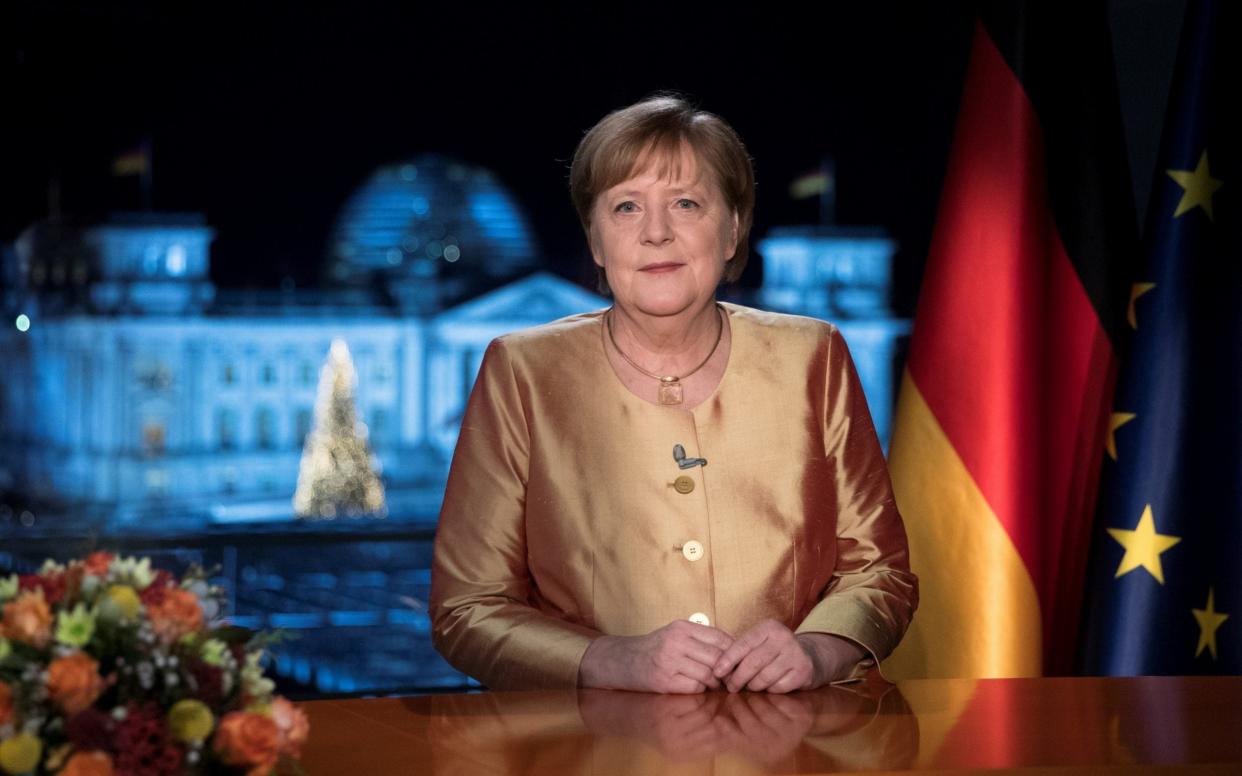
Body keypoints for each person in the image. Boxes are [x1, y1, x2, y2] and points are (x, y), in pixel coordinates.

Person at [430, 95, 917, 693]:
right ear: (596, 243)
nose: (656, 233)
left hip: (793, 743)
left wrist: (821, 650)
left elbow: (881, 573)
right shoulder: (521, 370)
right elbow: (465, 609)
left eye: (686, 203)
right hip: (589, 748)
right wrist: (608, 661)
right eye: (626, 207)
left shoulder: (813, 355)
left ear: (734, 227)